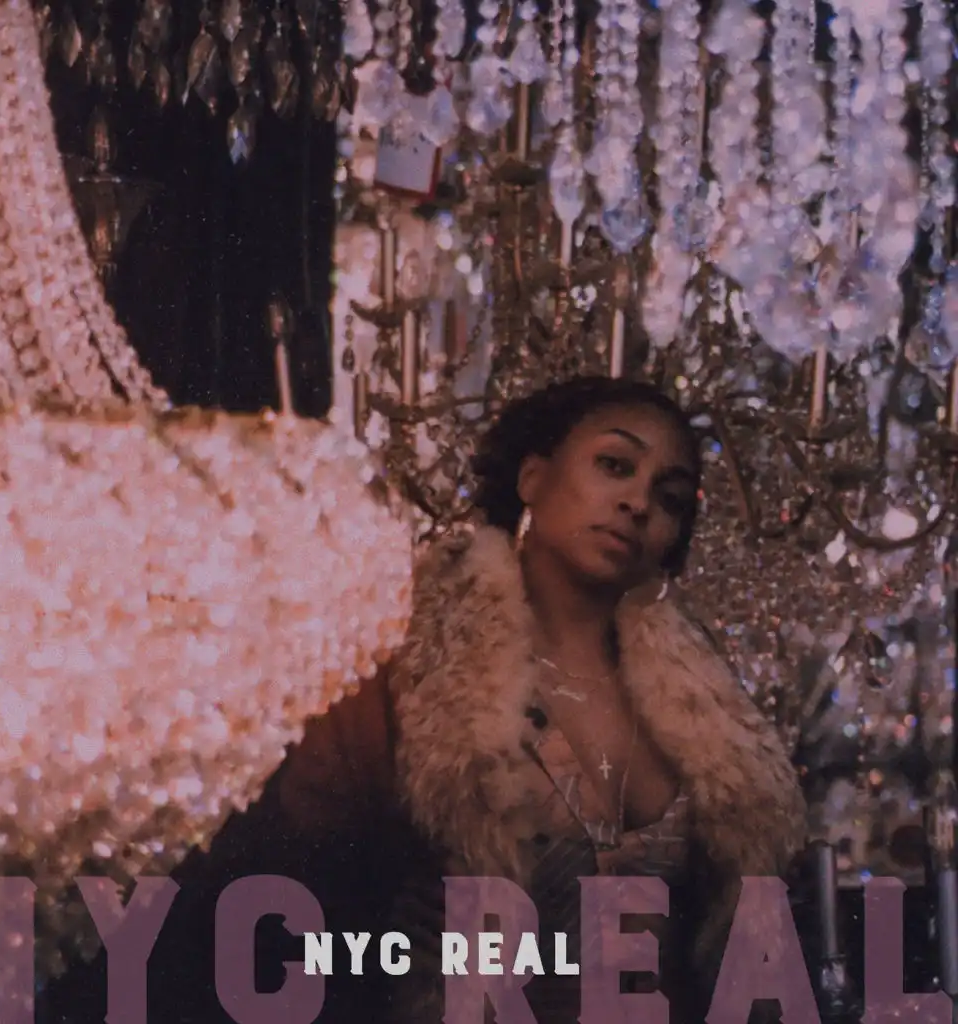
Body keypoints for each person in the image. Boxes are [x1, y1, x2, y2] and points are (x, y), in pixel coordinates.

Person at [90, 374, 804, 1024]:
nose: (638, 503)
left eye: (669, 497)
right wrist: (396, 938)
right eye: (615, 465)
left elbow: (733, 938)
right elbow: (281, 891)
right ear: (533, 476)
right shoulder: (411, 663)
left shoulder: (702, 707)